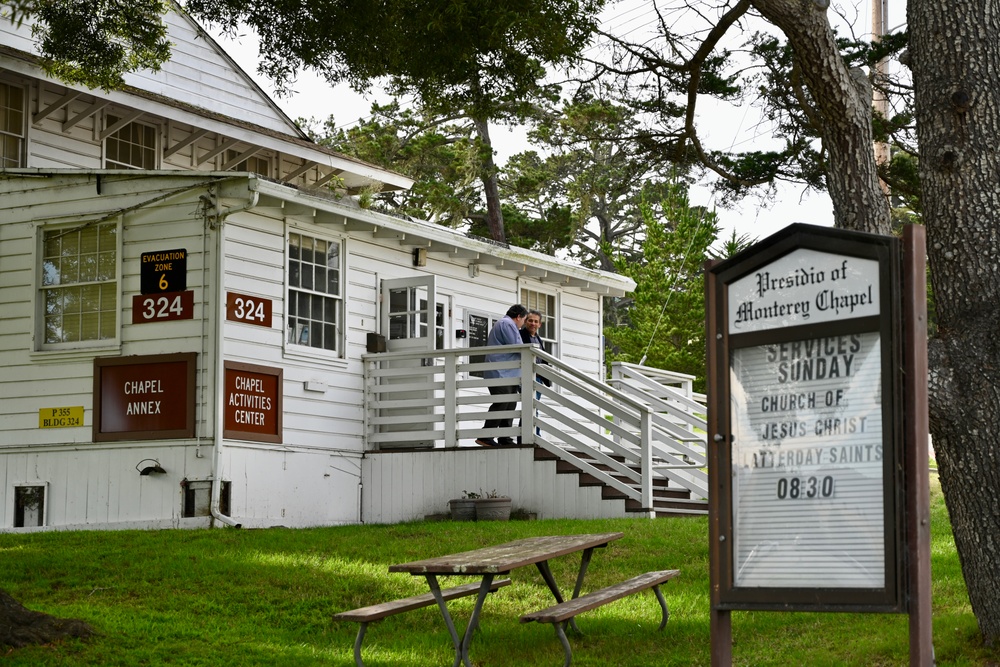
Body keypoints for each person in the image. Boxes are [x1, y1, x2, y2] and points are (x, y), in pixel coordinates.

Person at [476, 304, 528, 446]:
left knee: (510, 403)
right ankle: (485, 436)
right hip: (500, 372)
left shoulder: (507, 324)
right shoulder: (507, 324)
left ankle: (505, 438)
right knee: (502, 402)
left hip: (508, 373)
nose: (523, 324)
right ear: (518, 317)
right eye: (524, 320)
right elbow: (518, 347)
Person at [520, 310, 552, 438]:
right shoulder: (520, 335)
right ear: (525, 321)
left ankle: (534, 435)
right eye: (530, 320)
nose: (533, 323)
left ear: (540, 324)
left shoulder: (538, 338)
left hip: (538, 377)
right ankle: (530, 437)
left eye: (536, 321)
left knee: (535, 407)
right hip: (526, 376)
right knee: (529, 407)